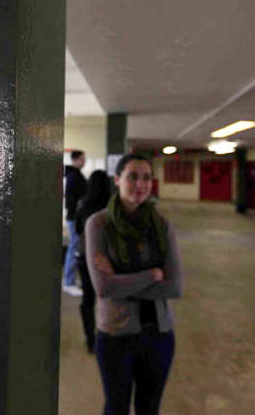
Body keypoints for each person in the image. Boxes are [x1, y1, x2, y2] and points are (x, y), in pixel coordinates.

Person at [86, 154, 183, 415]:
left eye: (146, 177)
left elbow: (175, 287)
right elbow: (103, 288)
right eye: (132, 177)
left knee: (149, 408)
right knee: (116, 408)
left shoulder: (162, 225)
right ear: (117, 180)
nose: (140, 184)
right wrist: (152, 275)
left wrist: (120, 278)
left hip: (159, 335)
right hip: (116, 335)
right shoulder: (99, 224)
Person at [75, 169, 111, 353]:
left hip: (85, 256)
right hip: (107, 258)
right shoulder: (111, 205)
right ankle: (109, 335)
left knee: (87, 298)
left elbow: (77, 228)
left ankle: (90, 340)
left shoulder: (83, 203)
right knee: (109, 296)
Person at [63, 150, 87, 296]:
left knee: (75, 247)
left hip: (76, 217)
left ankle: (69, 279)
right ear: (76, 159)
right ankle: (68, 283)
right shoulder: (73, 176)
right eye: (82, 159)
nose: (84, 161)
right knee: (74, 248)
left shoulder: (75, 174)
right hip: (75, 218)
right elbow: (74, 200)